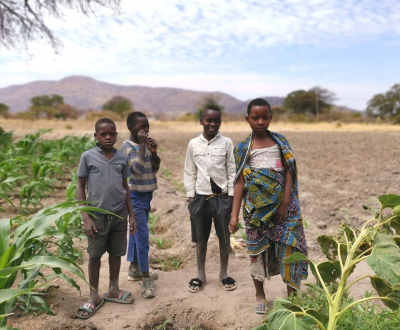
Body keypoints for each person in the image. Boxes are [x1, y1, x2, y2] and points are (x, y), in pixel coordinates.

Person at [228, 98, 308, 314]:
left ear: (271, 118)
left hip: (285, 211)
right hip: (255, 212)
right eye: (256, 117)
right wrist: (234, 215)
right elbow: (240, 182)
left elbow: (290, 171)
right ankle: (260, 294)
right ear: (248, 120)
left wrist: (284, 202)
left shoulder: (280, 142)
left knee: (289, 249)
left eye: (265, 117)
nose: (261, 121)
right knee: (256, 251)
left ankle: (293, 296)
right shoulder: (244, 148)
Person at [76, 118, 136, 319]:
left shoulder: (121, 158)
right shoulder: (88, 157)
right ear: (96, 136)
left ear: (117, 135)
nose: (108, 137)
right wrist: (86, 217)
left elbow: (125, 187)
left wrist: (131, 215)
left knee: (116, 253)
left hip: (119, 215)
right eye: (103, 134)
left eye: (112, 133)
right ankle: (93, 296)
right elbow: (80, 186)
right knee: (94, 255)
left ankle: (113, 288)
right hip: (97, 216)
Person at [184, 105, 237, 293]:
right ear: (201, 121)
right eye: (209, 120)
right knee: (201, 239)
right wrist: (191, 197)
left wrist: (230, 197)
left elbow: (232, 170)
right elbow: (189, 171)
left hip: (222, 198)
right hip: (200, 198)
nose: (212, 124)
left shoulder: (226, 143)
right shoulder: (193, 144)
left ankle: (224, 274)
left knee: (224, 237)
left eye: (216, 120)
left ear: (220, 122)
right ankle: (201, 275)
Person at [122, 111, 160, 299]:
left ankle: (134, 268)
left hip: (146, 195)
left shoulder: (144, 145)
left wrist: (153, 153)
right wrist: (143, 146)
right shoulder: (127, 146)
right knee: (143, 237)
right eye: (141, 127)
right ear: (131, 128)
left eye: (147, 127)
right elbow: (135, 170)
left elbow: (155, 168)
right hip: (135, 196)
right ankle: (146, 278)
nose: (145, 130)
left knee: (136, 233)